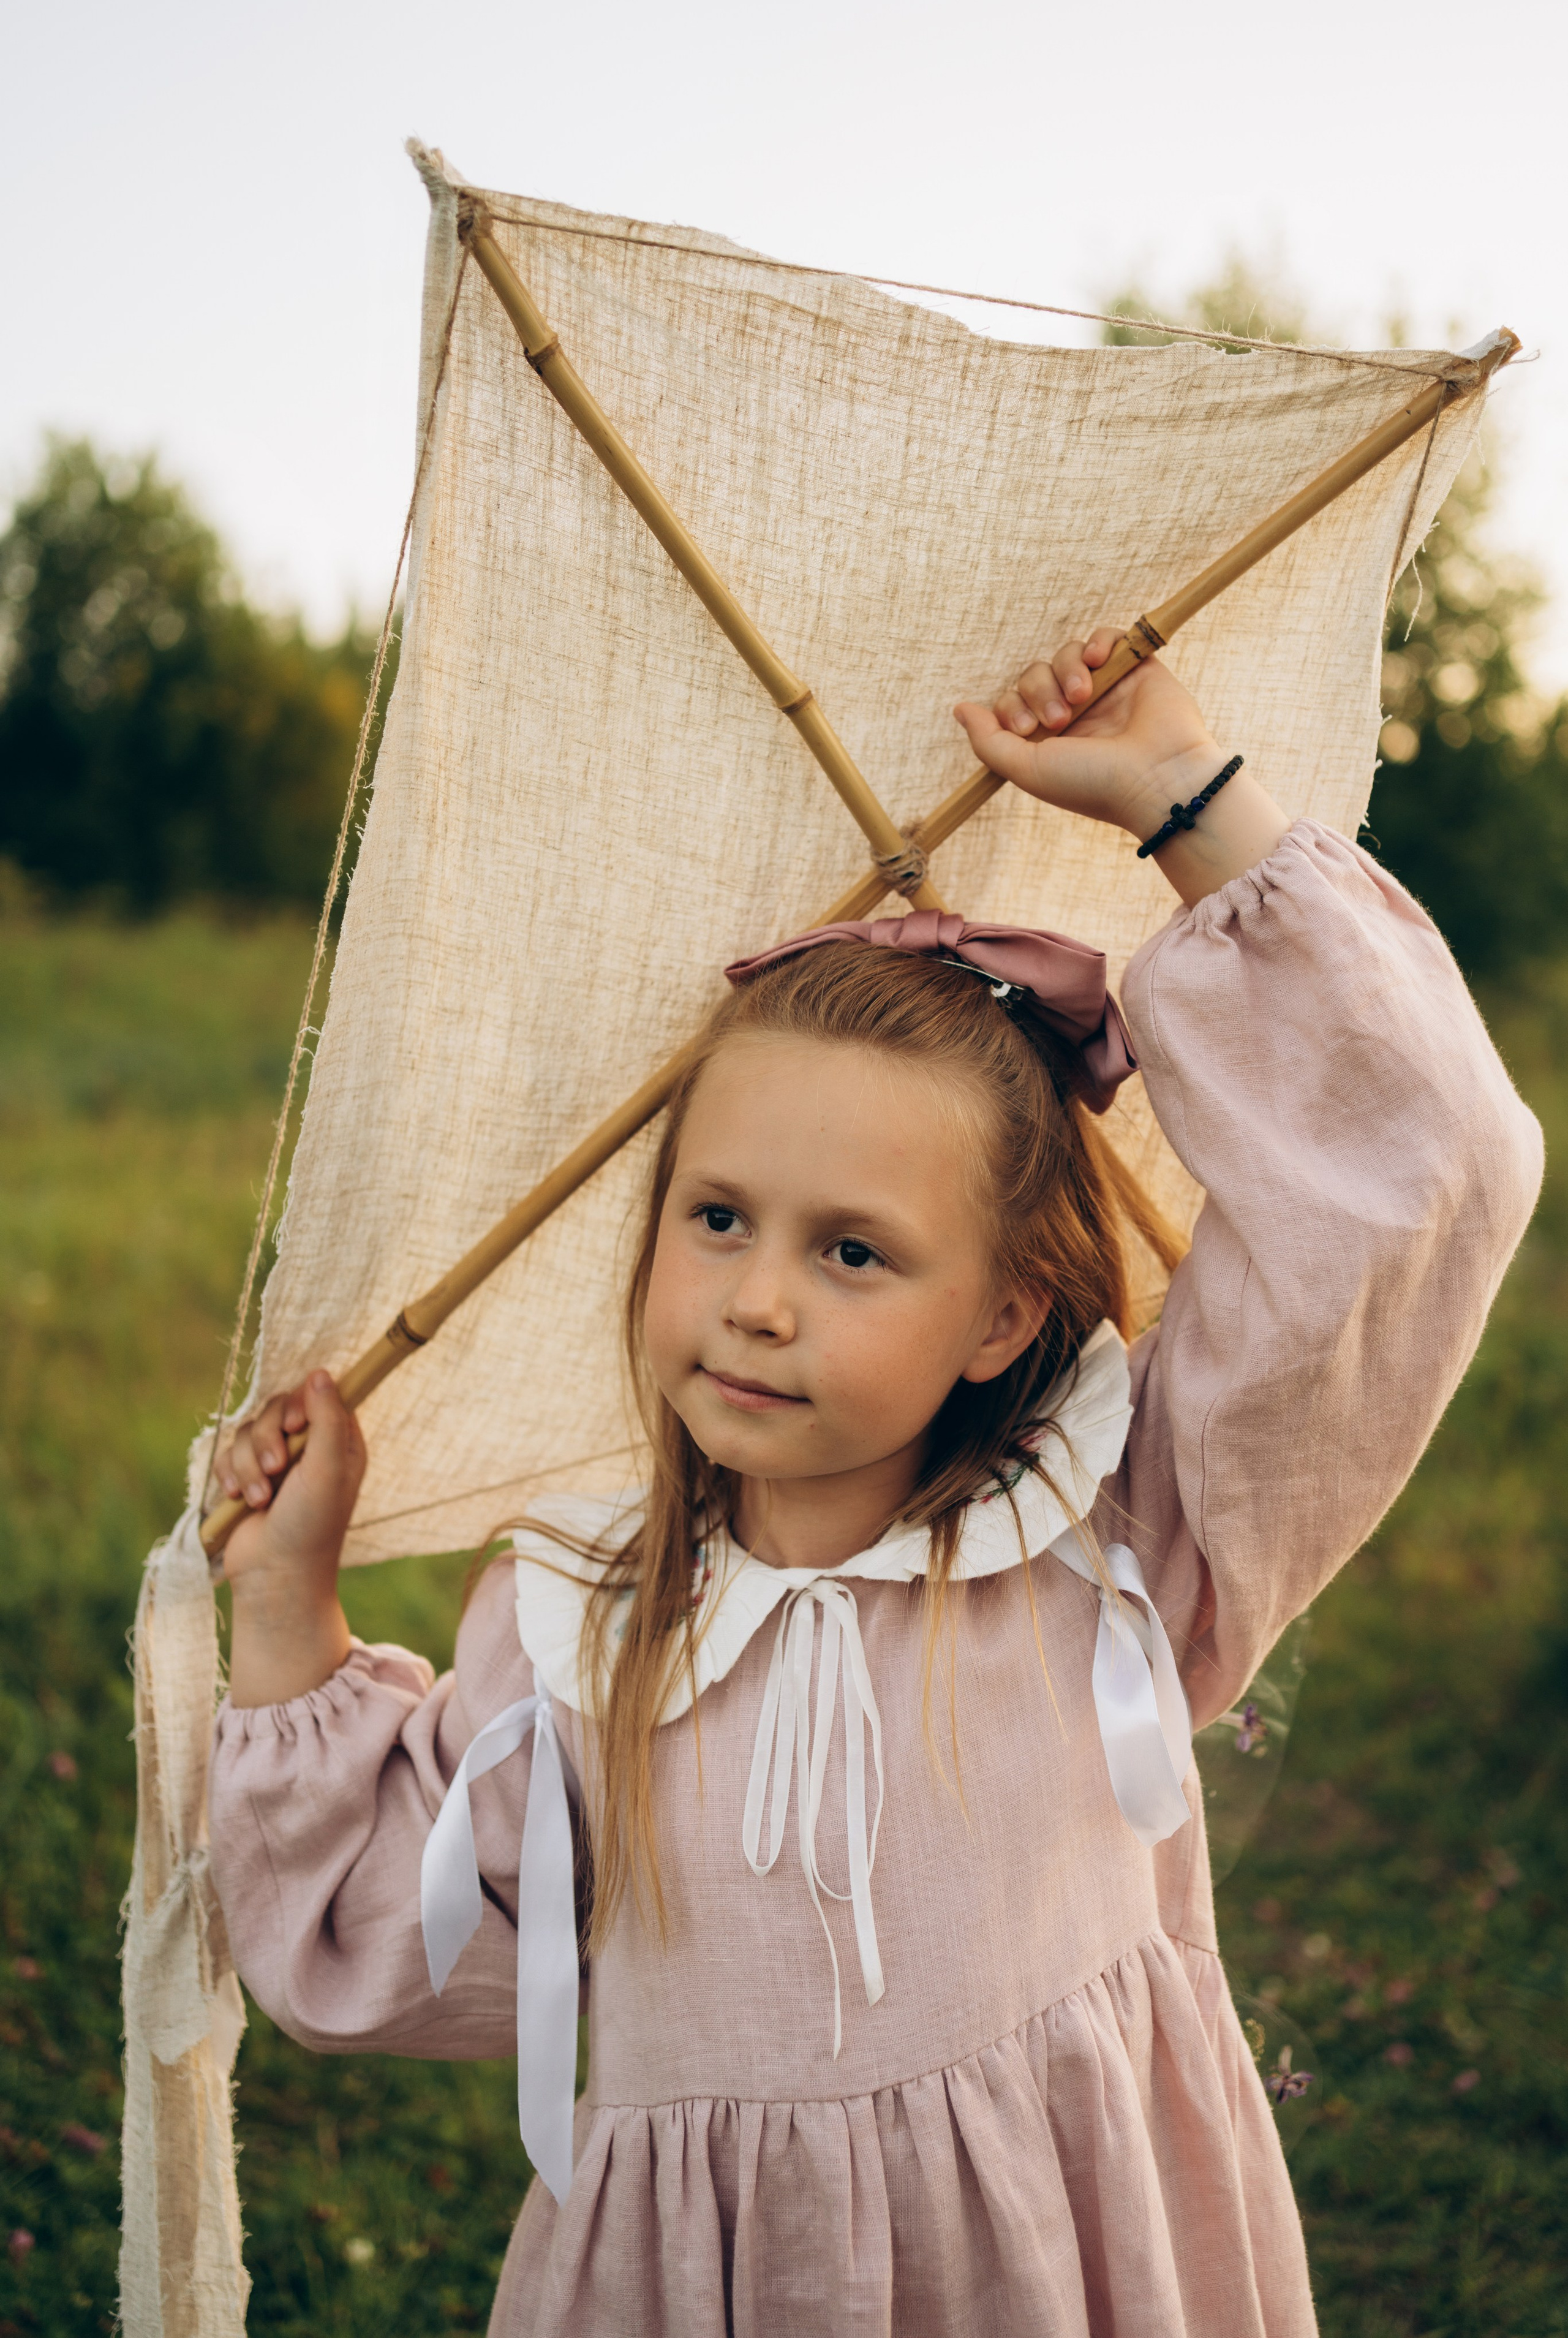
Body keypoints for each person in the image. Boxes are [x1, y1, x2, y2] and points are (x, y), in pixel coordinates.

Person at [208, 631, 1542, 2337]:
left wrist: (1180, 794)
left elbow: (1427, 1170)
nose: (759, 1298)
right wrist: (284, 1602)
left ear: (1002, 1315)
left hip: (1072, 2265)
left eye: (853, 1250)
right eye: (719, 1219)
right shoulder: (578, 1633)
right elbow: (389, 1946)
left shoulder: (1124, 1542)